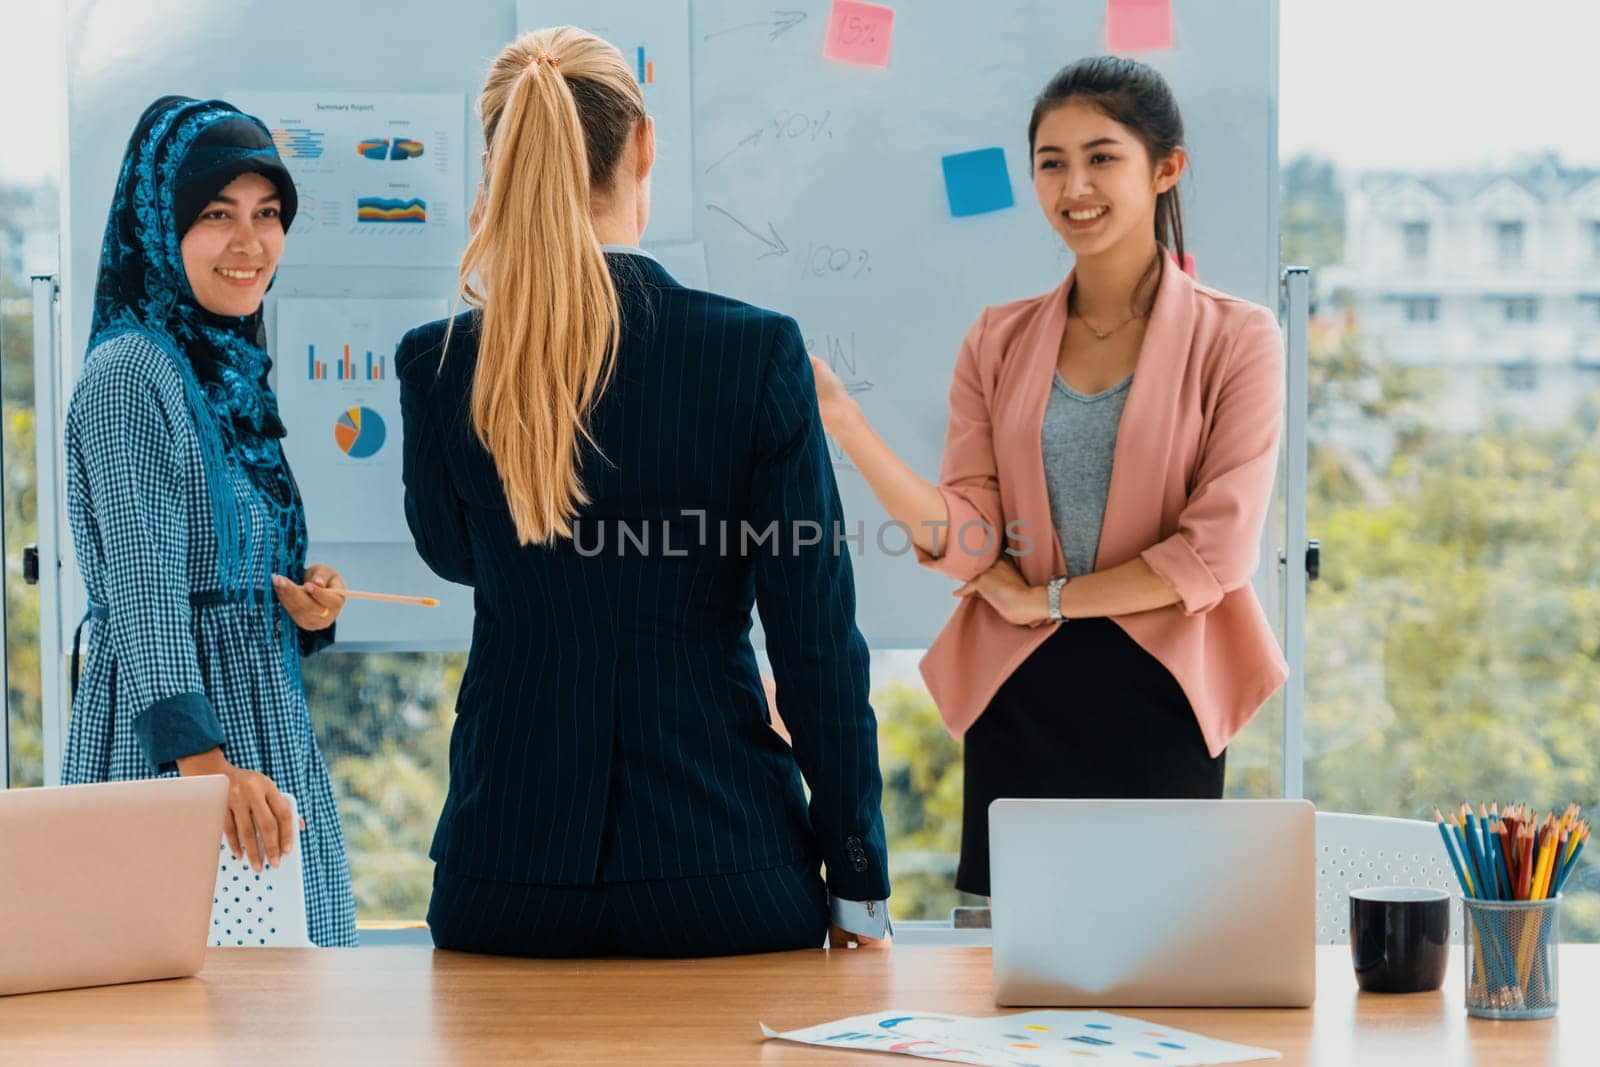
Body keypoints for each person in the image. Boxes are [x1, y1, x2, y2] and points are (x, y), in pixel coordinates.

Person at [397, 27, 890, 957]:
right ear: (645, 145)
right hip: (727, 871)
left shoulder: (441, 363)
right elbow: (817, 640)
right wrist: (857, 880)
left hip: (506, 879)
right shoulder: (755, 355)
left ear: (503, 172)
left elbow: (455, 553)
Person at [811, 56, 1289, 898]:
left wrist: (1052, 597)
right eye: (1052, 162)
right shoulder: (997, 340)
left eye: (1102, 157)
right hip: (1022, 696)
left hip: (1164, 690)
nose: (1076, 186)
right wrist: (846, 423)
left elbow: (1217, 554)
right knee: (1006, 974)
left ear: (1166, 168)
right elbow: (972, 541)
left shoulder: (1238, 339)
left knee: (1164, 966)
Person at [63, 96, 357, 946]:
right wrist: (204, 772)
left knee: (287, 1013)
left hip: (261, 732)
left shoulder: (226, 372)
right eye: (217, 215)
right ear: (161, 227)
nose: (251, 243)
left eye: (269, 214)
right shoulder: (129, 375)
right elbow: (148, 589)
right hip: (185, 748)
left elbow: (229, 563)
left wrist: (304, 603)